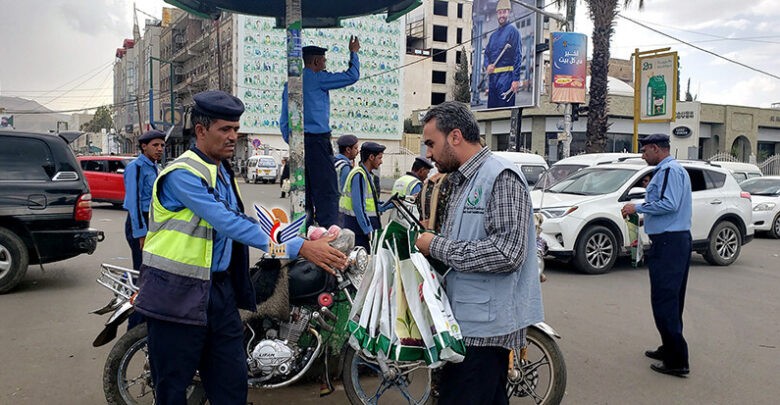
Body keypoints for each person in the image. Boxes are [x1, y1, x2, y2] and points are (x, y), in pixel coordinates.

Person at [133, 90, 347, 404]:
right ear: (202, 131)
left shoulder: (221, 171)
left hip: (218, 293)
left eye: (236, 129)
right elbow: (229, 223)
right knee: (173, 391)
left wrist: (303, 237)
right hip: (176, 295)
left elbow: (243, 223)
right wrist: (299, 247)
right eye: (225, 129)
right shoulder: (183, 174)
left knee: (231, 387)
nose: (233, 136)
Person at [414, 102, 543, 404]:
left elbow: (507, 253)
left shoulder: (500, 177)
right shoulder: (464, 179)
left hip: (484, 332)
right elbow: (468, 237)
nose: (428, 154)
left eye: (431, 143)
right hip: (466, 322)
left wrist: (437, 246)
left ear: (455, 136)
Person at [621, 133, 692, 378]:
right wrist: (644, 217)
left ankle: (677, 360)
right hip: (674, 240)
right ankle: (668, 346)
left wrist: (636, 206)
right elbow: (668, 208)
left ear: (655, 148)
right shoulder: (671, 170)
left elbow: (669, 204)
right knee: (672, 300)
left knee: (664, 300)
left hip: (669, 243)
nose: (642, 156)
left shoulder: (669, 171)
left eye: (644, 151)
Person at [280, 37, 361, 228]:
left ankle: (304, 233)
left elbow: (284, 121)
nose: (325, 65)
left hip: (298, 143)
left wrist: (292, 143)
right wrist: (354, 52)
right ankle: (328, 235)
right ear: (316, 61)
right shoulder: (318, 78)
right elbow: (351, 76)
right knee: (327, 192)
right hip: (318, 142)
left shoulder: (290, 84)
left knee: (303, 192)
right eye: (323, 61)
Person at [123, 129, 165, 272]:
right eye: (155, 145)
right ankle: (134, 292)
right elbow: (133, 203)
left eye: (162, 145)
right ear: (144, 146)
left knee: (152, 266)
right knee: (141, 267)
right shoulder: (135, 167)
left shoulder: (155, 168)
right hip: (140, 222)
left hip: (153, 221)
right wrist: (141, 233)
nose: (159, 149)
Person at [338, 142, 391, 250]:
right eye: (379, 158)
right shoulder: (359, 175)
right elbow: (359, 208)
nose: (381, 162)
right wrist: (368, 230)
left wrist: (393, 204)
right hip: (359, 231)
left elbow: (373, 206)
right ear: (371, 157)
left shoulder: (367, 175)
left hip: (362, 229)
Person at [483, 0, 524, 108]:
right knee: (491, 110)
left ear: (509, 12)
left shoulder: (513, 31)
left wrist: (515, 80)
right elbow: (486, 54)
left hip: (507, 78)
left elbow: (518, 56)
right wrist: (487, 66)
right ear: (497, 14)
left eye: (504, 12)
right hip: (493, 80)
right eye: (500, 12)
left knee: (505, 110)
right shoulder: (493, 36)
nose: (502, 15)